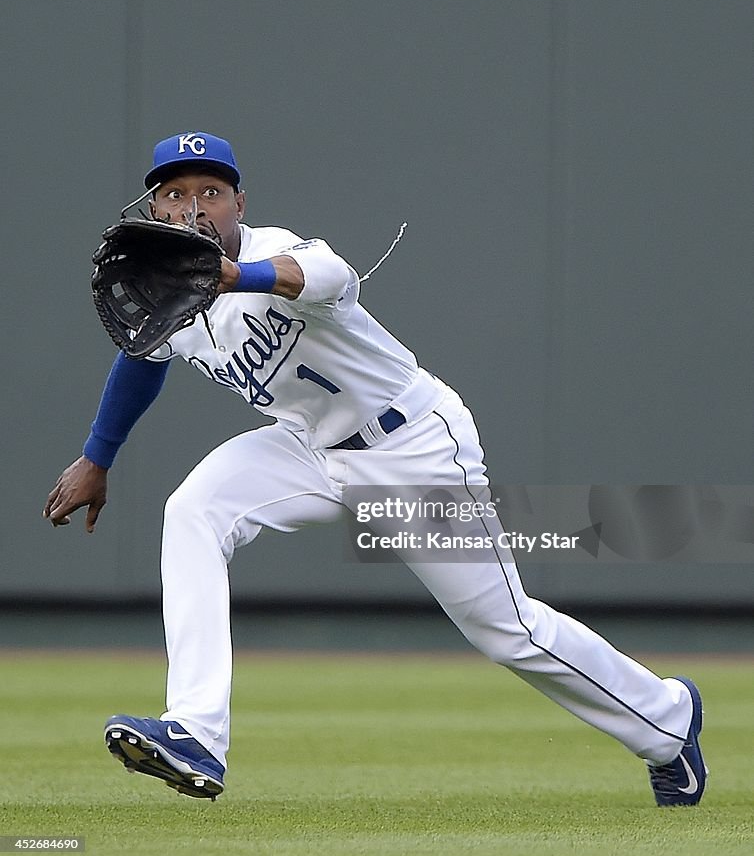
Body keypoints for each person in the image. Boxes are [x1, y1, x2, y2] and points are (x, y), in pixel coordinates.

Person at [43, 131, 706, 806]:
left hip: (410, 444)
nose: (192, 208)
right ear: (152, 209)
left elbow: (330, 276)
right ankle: (196, 735)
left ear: (240, 202)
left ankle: (668, 720)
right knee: (194, 510)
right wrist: (97, 457)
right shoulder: (171, 289)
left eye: (209, 192)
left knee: (508, 631)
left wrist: (240, 276)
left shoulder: (279, 251)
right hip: (307, 445)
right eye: (175, 194)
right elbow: (142, 355)